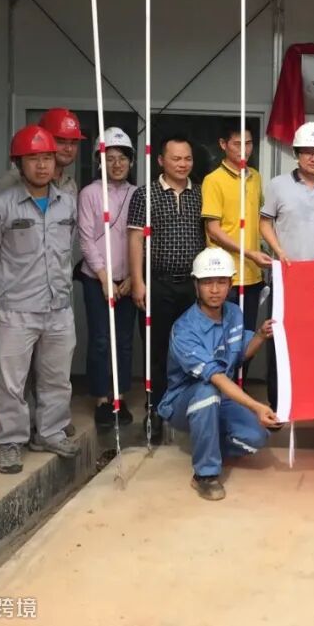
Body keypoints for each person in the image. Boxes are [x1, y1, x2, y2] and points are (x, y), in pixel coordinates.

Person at [0, 125, 79, 474]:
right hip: (15, 309)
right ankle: (10, 442)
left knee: (57, 377)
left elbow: (68, 249)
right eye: (33, 159)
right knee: (11, 382)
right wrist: (10, 282)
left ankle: (49, 432)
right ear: (19, 164)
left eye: (47, 157)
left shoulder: (67, 204)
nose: (42, 165)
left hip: (58, 308)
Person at [158, 247, 279, 501]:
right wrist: (256, 406)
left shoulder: (234, 313)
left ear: (230, 284)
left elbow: (240, 352)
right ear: (196, 285)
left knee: (256, 438)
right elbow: (217, 377)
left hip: (222, 397)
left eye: (221, 282)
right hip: (184, 402)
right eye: (207, 283)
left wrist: (260, 335)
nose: (215, 290)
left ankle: (207, 443)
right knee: (208, 389)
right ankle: (205, 474)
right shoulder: (185, 329)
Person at [0, 107, 83, 438]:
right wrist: (11, 279)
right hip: (17, 297)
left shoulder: (69, 188)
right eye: (60, 141)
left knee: (54, 371)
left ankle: (49, 427)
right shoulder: (9, 187)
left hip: (56, 297)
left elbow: (67, 240)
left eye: (73, 143)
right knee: (14, 374)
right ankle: (15, 435)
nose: (67, 149)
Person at [259, 121, 314, 422]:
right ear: (296, 154)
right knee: (280, 342)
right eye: (308, 152)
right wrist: (278, 251)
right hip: (286, 278)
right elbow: (265, 222)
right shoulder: (278, 185)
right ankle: (279, 406)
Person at [127, 133, 206, 444]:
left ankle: (188, 409)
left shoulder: (200, 194)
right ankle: (155, 410)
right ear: (161, 160)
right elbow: (135, 239)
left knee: (191, 349)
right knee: (156, 350)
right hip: (156, 284)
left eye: (187, 158)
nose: (182, 164)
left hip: (192, 287)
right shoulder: (145, 194)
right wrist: (137, 282)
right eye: (176, 158)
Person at [77, 128, 137, 429]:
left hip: (128, 280)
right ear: (100, 161)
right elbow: (86, 240)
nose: (116, 164)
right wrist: (104, 278)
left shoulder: (137, 194)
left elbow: (142, 239)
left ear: (131, 161)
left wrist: (133, 278)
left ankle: (119, 397)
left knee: (124, 341)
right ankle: (102, 399)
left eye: (122, 158)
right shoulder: (90, 194)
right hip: (96, 279)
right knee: (101, 339)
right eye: (110, 158)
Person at [202, 120, 272, 337]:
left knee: (247, 337)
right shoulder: (213, 180)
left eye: (249, 144)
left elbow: (259, 220)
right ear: (223, 144)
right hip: (224, 275)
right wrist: (249, 253)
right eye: (237, 144)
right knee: (223, 339)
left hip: (253, 274)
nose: (244, 150)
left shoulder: (255, 177)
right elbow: (213, 230)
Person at [0, 107, 83, 197]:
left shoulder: (70, 184)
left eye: (74, 143)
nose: (69, 149)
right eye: (61, 141)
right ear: (44, 139)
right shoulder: (11, 181)